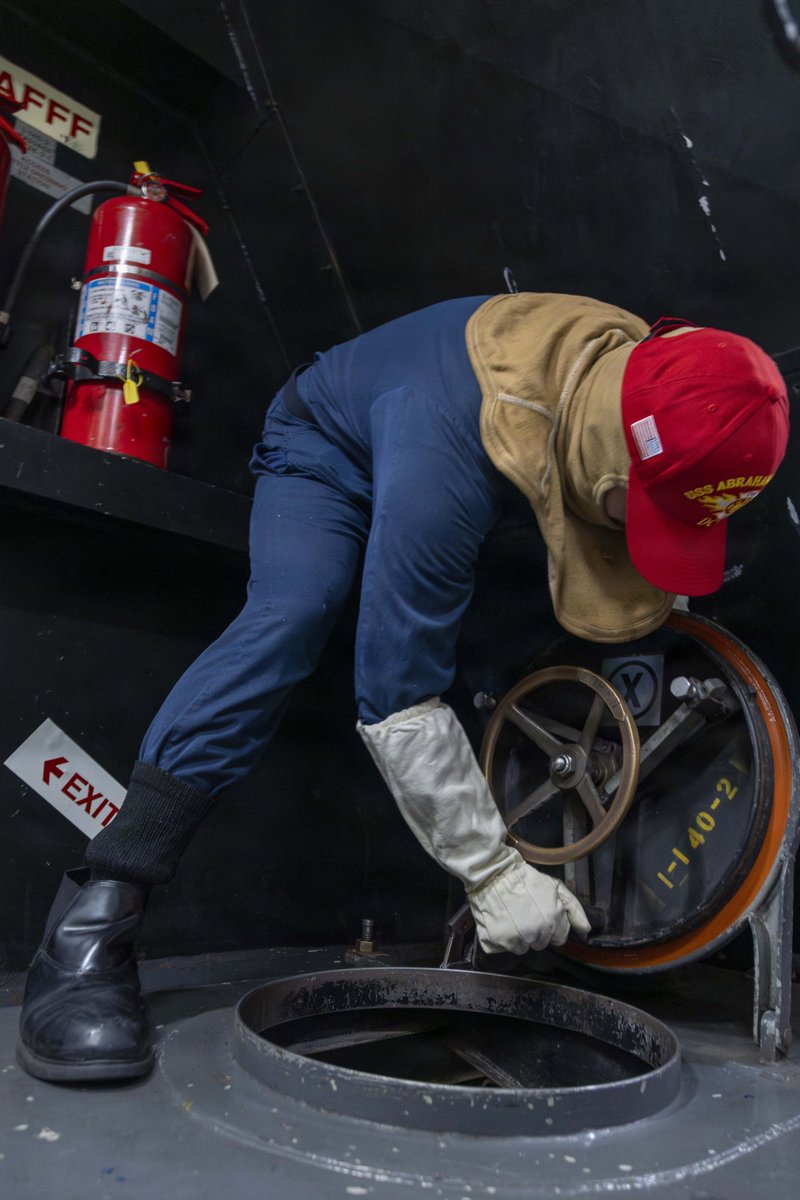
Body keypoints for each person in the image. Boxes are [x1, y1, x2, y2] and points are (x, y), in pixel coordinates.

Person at [17, 292, 789, 1083]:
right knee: (294, 614)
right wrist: (489, 871)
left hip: (473, 450)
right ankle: (94, 919)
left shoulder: (655, 373)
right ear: (609, 457)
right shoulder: (445, 454)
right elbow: (395, 696)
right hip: (329, 449)